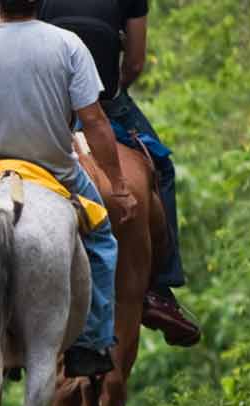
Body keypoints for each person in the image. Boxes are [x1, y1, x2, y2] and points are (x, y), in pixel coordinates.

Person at [0, 0, 135, 379]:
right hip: (56, 169)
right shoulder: (67, 44)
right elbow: (95, 121)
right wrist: (117, 184)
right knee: (101, 239)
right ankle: (91, 339)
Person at [37, 0, 200, 347]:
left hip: (51, 106)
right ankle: (160, 289)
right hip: (106, 103)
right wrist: (113, 88)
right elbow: (136, 61)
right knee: (163, 169)